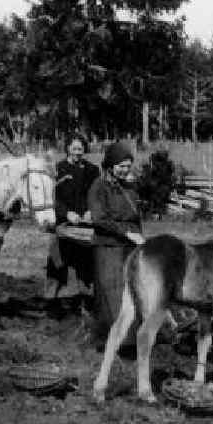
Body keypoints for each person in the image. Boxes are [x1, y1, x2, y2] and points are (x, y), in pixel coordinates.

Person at [88, 141, 144, 346]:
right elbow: (99, 219)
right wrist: (127, 233)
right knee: (112, 292)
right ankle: (111, 340)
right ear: (110, 166)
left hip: (130, 246)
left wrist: (139, 237)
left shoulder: (129, 188)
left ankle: (132, 337)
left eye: (128, 167)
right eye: (121, 166)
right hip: (107, 246)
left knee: (133, 290)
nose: (125, 170)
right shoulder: (98, 187)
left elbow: (135, 217)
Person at [45, 133, 100, 308]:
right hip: (63, 224)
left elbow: (96, 195)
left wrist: (91, 211)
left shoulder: (92, 170)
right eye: (74, 148)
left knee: (85, 266)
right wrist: (67, 213)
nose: (78, 152)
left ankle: (86, 304)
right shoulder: (58, 169)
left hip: (85, 227)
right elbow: (51, 197)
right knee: (57, 264)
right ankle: (51, 303)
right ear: (68, 148)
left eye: (81, 149)